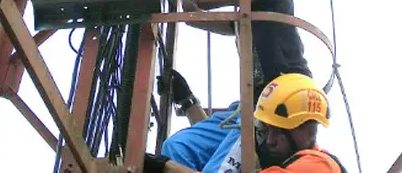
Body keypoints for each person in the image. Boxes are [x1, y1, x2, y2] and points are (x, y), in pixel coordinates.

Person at [157, 0, 314, 173]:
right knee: (177, 148)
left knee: (218, 170)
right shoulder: (241, 21)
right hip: (252, 105)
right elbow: (192, 15)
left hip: (284, 96)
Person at [145, 73, 345, 173]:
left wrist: (163, 166)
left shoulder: (318, 166)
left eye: (279, 131)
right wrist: (188, 102)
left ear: (308, 129)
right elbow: (216, 157)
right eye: (266, 130)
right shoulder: (280, 158)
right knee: (176, 147)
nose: (270, 140)